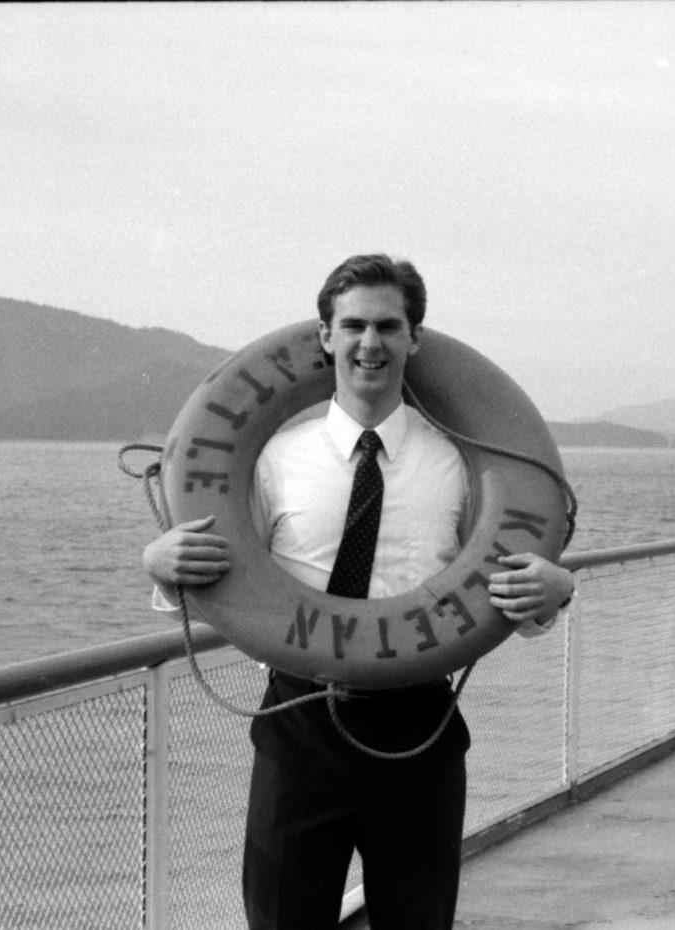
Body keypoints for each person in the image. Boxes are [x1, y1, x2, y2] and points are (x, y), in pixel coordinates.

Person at [143, 254, 574, 930]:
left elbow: (503, 588)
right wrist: (165, 568)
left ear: (414, 339)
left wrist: (552, 593)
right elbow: (222, 569)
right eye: (352, 326)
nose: (369, 344)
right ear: (325, 337)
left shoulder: (459, 467)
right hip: (297, 725)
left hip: (420, 730)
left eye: (386, 326)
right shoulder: (274, 463)